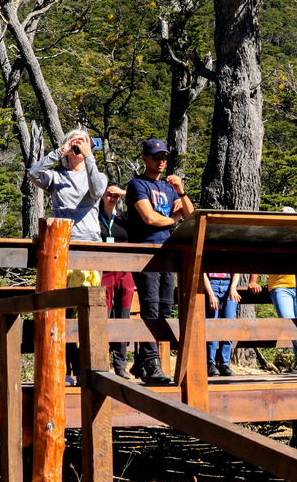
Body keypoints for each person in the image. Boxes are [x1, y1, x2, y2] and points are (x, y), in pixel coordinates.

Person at [126, 139, 195, 384]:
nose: (161, 161)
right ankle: (152, 365)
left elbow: (191, 216)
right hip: (146, 252)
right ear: (145, 159)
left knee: (166, 307)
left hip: (168, 253)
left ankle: (142, 363)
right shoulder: (137, 184)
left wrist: (181, 191)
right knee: (151, 307)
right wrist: (174, 218)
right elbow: (150, 219)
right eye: (156, 157)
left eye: (164, 156)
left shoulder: (169, 188)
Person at [28, 129, 108, 242]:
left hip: (90, 238)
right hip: (59, 237)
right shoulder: (55, 177)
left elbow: (97, 192)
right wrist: (60, 152)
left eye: (84, 142)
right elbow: (33, 173)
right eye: (76, 142)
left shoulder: (100, 177)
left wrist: (88, 156)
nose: (80, 145)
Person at [98, 182, 135, 378]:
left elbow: (141, 203)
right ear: (101, 195)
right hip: (104, 272)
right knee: (103, 315)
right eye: (109, 194)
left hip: (125, 270)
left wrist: (123, 192)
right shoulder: (95, 218)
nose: (112, 198)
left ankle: (121, 365)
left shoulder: (126, 218)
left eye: (116, 195)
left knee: (124, 316)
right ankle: (101, 361)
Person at [205, 272, 241, 376]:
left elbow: (236, 271)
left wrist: (233, 287)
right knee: (212, 326)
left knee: (228, 326)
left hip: (229, 284)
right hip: (212, 284)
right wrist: (211, 294)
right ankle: (210, 364)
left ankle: (224, 364)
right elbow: (202, 272)